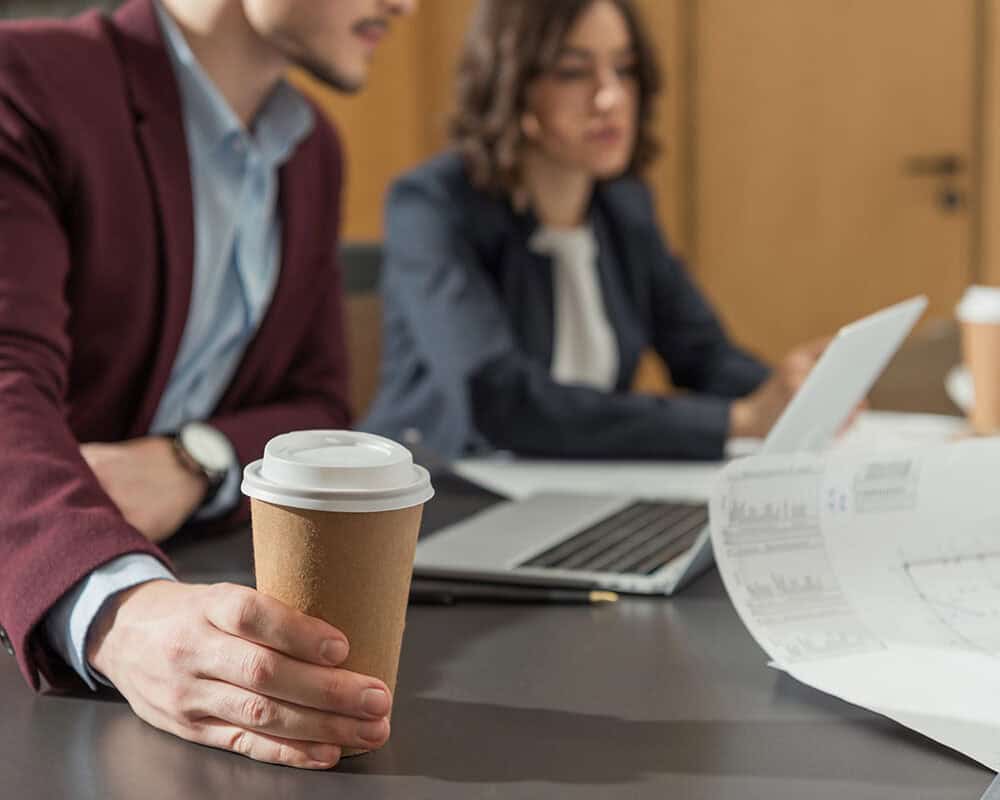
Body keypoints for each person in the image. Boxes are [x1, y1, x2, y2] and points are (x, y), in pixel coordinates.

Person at [0, 0, 417, 769]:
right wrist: (123, 616)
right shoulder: (23, 82)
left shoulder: (311, 150)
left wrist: (195, 459)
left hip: (197, 583)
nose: (405, 5)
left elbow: (319, 402)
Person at [364, 0, 825, 460]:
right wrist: (736, 422)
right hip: (438, 494)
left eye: (624, 70)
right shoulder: (431, 205)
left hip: (579, 486)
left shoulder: (624, 206)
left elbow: (703, 354)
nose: (610, 98)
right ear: (510, 82)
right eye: (572, 72)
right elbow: (501, 399)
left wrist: (794, 394)